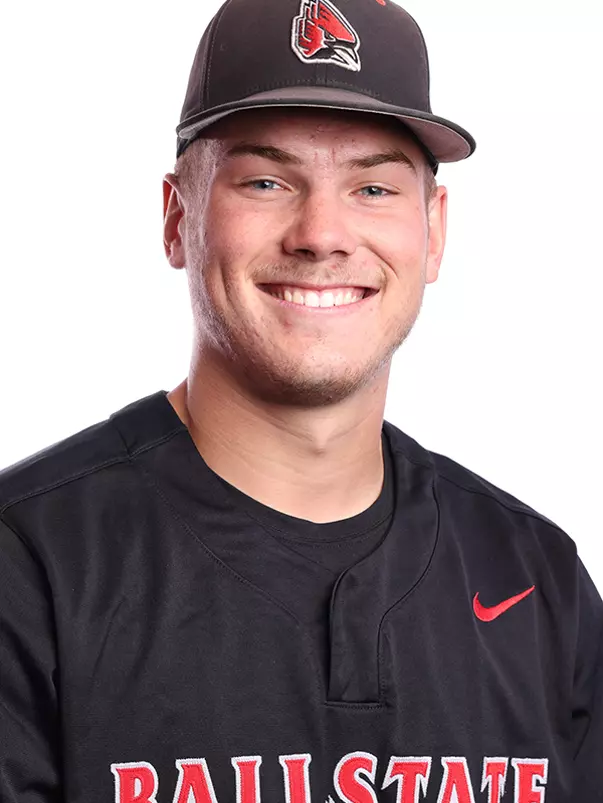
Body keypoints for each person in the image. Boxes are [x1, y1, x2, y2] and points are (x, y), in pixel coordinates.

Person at [1, 0, 601, 800]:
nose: (321, 234)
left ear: (434, 231)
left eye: (374, 188)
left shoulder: (533, 574)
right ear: (179, 218)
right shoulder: (29, 563)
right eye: (266, 179)